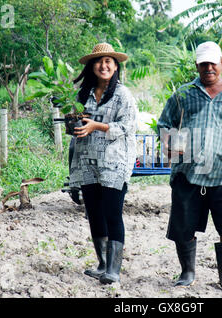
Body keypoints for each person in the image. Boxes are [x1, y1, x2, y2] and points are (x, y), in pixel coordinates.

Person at [157, 41, 222, 289]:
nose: (209, 68)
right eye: (203, 64)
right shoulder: (182, 94)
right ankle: (187, 273)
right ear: (197, 66)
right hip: (187, 172)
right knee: (183, 227)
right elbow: (164, 124)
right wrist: (170, 143)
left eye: (213, 63)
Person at [69, 42, 137, 284]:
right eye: (99, 61)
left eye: (109, 61)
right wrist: (74, 125)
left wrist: (96, 125)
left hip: (114, 161)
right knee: (94, 213)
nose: (104, 65)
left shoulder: (123, 95)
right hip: (87, 161)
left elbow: (126, 127)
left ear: (116, 66)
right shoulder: (82, 95)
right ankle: (102, 264)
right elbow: (76, 123)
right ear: (91, 67)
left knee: (111, 212)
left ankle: (114, 270)